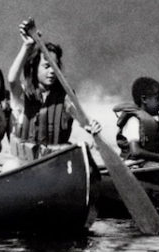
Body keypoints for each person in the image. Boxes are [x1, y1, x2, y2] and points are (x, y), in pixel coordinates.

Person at [7, 18, 101, 161]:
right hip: (24, 162)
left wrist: (91, 125)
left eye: (55, 66)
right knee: (11, 166)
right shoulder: (23, 95)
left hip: (53, 161)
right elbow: (12, 80)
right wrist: (26, 47)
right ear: (34, 68)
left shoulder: (65, 97)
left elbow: (80, 117)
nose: (52, 71)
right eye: (46, 66)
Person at [113, 76, 159, 166]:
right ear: (144, 99)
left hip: (148, 162)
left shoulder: (153, 120)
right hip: (133, 165)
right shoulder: (133, 121)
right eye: (157, 99)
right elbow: (136, 151)